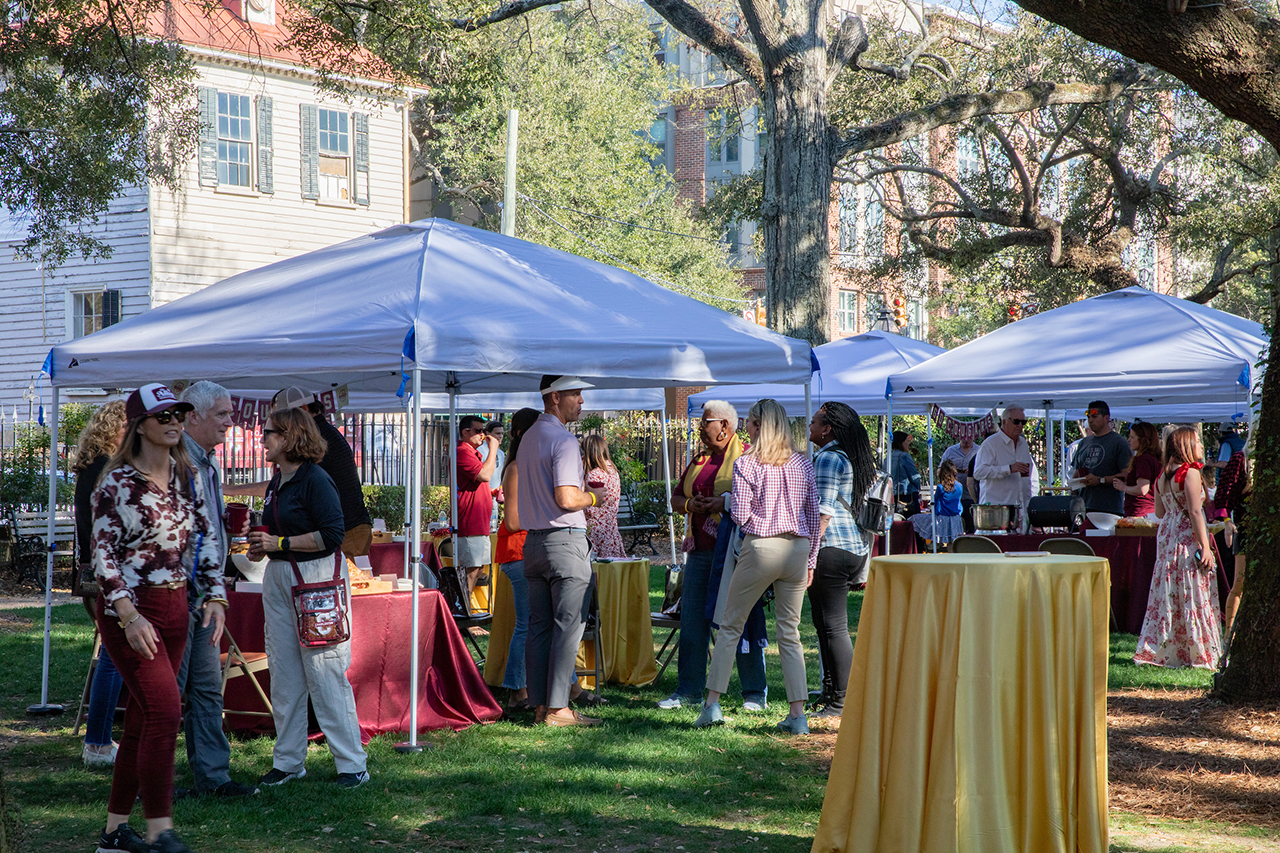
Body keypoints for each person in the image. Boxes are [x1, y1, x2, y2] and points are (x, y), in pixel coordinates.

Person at [91, 383, 222, 853]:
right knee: (166, 712)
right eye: (163, 415)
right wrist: (128, 615)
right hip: (131, 612)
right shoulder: (116, 483)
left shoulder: (189, 475)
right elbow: (102, 558)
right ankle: (159, 831)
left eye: (179, 415)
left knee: (143, 722)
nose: (174, 423)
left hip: (176, 607)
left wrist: (216, 597)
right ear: (139, 425)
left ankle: (113, 832)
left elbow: (206, 541)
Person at [246, 407, 368, 788]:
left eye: (269, 432)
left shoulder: (317, 480)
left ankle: (352, 765)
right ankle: (288, 761)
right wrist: (262, 548)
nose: (262, 438)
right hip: (281, 577)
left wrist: (278, 543)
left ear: (289, 437)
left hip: (315, 581)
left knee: (325, 671)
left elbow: (333, 535)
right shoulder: (277, 481)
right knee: (284, 673)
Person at [694, 399, 818, 735]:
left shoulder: (747, 463)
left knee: (730, 625)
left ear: (760, 425)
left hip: (762, 545)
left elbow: (743, 514)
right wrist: (811, 560)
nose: (745, 428)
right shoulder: (802, 463)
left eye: (749, 422)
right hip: (797, 547)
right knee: (789, 633)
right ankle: (797, 715)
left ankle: (712, 704)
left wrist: (758, 528)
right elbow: (812, 515)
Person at [173, 382, 258, 800]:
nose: (231, 421)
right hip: (178, 594)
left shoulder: (206, 462)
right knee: (168, 692)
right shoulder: (177, 460)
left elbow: (202, 526)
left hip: (205, 594)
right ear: (194, 416)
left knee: (206, 687)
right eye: (222, 414)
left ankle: (214, 778)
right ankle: (148, 780)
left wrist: (225, 523)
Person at [657, 400, 768, 713]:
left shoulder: (748, 456)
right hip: (701, 552)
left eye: (706, 422)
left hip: (736, 552)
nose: (700, 427)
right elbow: (677, 497)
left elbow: (758, 500)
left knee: (741, 619)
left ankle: (754, 693)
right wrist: (693, 505)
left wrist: (724, 503)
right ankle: (688, 690)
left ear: (725, 427)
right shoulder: (699, 459)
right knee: (692, 620)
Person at [518, 375, 606, 727]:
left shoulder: (527, 438)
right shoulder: (565, 441)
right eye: (575, 393)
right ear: (554, 398)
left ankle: (541, 705)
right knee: (568, 627)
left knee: (539, 628)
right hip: (564, 540)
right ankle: (558, 709)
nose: (581, 401)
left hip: (534, 543)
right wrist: (595, 497)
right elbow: (567, 498)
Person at [228, 387, 373, 559]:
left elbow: (330, 533)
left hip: (349, 531)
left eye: (285, 420)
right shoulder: (320, 439)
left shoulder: (318, 449)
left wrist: (232, 490)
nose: (263, 439)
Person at [805, 401, 875, 721]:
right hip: (850, 547)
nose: (809, 424)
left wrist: (809, 554)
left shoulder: (829, 458)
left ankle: (840, 700)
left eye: (815, 420)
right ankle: (831, 691)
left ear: (828, 428)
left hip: (830, 548)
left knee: (832, 627)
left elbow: (823, 512)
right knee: (825, 625)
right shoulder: (848, 457)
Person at [1134, 425, 1222, 669]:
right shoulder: (1190, 473)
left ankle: (1168, 645)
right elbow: (1195, 511)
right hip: (1185, 535)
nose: (1202, 447)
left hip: (1168, 536)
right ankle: (1197, 649)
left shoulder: (1162, 477)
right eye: (1197, 442)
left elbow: (1160, 512)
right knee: (1192, 588)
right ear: (1186, 446)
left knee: (1170, 588)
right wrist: (1205, 546)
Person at [73, 400, 127, 770]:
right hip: (107, 573)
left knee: (112, 654)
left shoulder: (93, 465)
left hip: (95, 569)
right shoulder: (106, 468)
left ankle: (99, 739)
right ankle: (97, 742)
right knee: (112, 657)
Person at [495, 408, 540, 713]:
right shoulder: (516, 468)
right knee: (526, 623)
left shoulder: (526, 465)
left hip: (527, 551)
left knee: (532, 622)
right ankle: (516, 692)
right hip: (517, 551)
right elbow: (512, 521)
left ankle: (523, 689)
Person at [456, 414, 499, 592]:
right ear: (466, 432)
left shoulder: (473, 452)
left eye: (484, 430)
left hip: (480, 523)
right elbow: (484, 475)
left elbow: (476, 484)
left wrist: (490, 493)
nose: (483, 434)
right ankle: (461, 614)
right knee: (471, 570)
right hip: (470, 522)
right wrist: (494, 449)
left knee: (479, 568)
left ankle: (467, 612)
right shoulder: (462, 451)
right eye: (479, 430)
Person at [973, 406, 1034, 530]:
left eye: (1023, 422)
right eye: (1016, 421)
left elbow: (1026, 479)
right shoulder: (990, 444)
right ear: (1004, 421)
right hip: (995, 513)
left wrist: (1027, 506)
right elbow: (978, 472)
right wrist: (1008, 469)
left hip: (1019, 513)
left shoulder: (1023, 445)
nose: (1020, 425)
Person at [1070, 400, 1132, 516]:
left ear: (1106, 418)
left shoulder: (1119, 443)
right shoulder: (1084, 443)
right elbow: (1077, 473)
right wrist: (1071, 502)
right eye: (1088, 417)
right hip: (1084, 509)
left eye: (1094, 416)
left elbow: (1127, 475)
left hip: (1110, 510)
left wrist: (1100, 480)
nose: (1090, 420)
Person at [1216, 436, 1250, 637]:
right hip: (1246, 529)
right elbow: (1223, 495)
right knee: (1240, 583)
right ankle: (1229, 637)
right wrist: (1228, 522)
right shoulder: (1240, 459)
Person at [582, 434, 624, 558]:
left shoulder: (594, 475)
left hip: (595, 531)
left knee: (595, 572)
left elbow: (589, 508)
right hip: (611, 530)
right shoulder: (614, 472)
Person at [1111, 422, 1162, 517]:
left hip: (1139, 512)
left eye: (1132, 437)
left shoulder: (1143, 459)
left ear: (1143, 440)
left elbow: (1142, 489)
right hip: (1151, 510)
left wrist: (1123, 487)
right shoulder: (1155, 458)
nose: (1129, 440)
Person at [911, 459, 965, 546]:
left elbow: (934, 501)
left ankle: (931, 546)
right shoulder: (960, 486)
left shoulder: (941, 487)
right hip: (955, 518)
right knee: (952, 543)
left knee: (913, 519)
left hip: (942, 519)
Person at [889, 431, 921, 515]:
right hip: (907, 495)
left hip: (892, 496)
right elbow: (914, 476)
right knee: (912, 523)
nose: (908, 445)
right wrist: (918, 486)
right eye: (907, 442)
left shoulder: (887, 458)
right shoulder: (904, 456)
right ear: (902, 442)